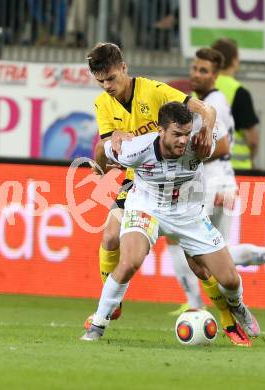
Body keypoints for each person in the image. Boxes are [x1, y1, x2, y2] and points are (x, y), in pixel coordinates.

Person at [81, 102, 260, 342]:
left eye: (186, 134)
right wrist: (102, 169)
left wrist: (207, 131)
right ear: (160, 131)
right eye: (176, 134)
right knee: (130, 261)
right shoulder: (135, 149)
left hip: (189, 214)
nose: (183, 141)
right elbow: (102, 148)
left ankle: (237, 306)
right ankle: (97, 326)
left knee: (229, 279)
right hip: (146, 207)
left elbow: (220, 136)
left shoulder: (200, 144)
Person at [167, 48, 265, 327]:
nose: (196, 74)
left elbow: (223, 145)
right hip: (222, 181)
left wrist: (186, 155)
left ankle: (194, 305)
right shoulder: (208, 101)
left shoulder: (215, 102)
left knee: (178, 238)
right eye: (194, 68)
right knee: (220, 253)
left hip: (211, 182)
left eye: (203, 70)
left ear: (216, 75)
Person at [85, 42, 215, 323]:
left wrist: (206, 129)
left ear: (123, 68)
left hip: (177, 181)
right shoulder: (102, 104)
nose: (107, 86)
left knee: (199, 263)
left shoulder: (154, 91)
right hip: (139, 181)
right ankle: (112, 303)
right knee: (109, 236)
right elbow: (108, 144)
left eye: (111, 78)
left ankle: (230, 313)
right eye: (100, 81)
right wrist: (110, 142)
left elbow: (205, 109)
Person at [211, 38, 259, 170]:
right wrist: (252, 158)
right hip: (235, 168)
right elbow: (252, 140)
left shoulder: (198, 90)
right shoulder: (239, 92)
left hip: (206, 168)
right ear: (234, 60)